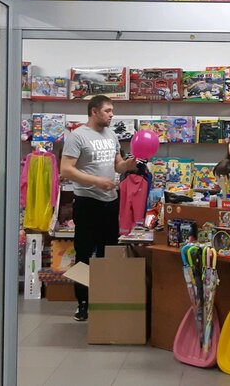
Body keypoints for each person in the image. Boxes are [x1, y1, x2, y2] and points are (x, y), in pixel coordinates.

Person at [60, 95, 136, 321]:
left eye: (112, 111)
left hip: (110, 202)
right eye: (108, 111)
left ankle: (103, 300)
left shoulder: (111, 134)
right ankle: (82, 302)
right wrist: (96, 181)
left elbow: (118, 165)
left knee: (108, 253)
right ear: (94, 111)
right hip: (87, 203)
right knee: (84, 254)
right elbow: (66, 170)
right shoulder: (77, 136)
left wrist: (129, 165)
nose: (112, 115)